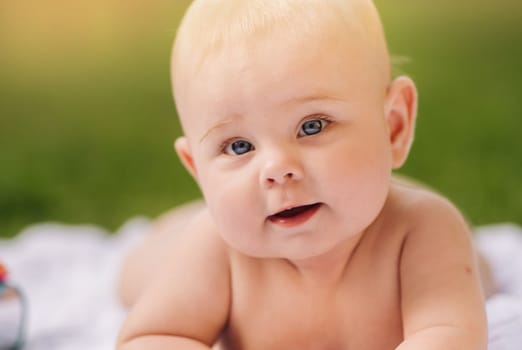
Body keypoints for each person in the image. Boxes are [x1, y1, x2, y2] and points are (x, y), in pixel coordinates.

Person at [116, 0, 488, 348]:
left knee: (478, 267)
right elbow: (151, 336)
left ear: (393, 126)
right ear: (197, 170)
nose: (277, 169)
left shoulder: (419, 232)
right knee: (139, 268)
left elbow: (449, 336)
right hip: (180, 241)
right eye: (239, 147)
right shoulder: (217, 249)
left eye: (312, 126)